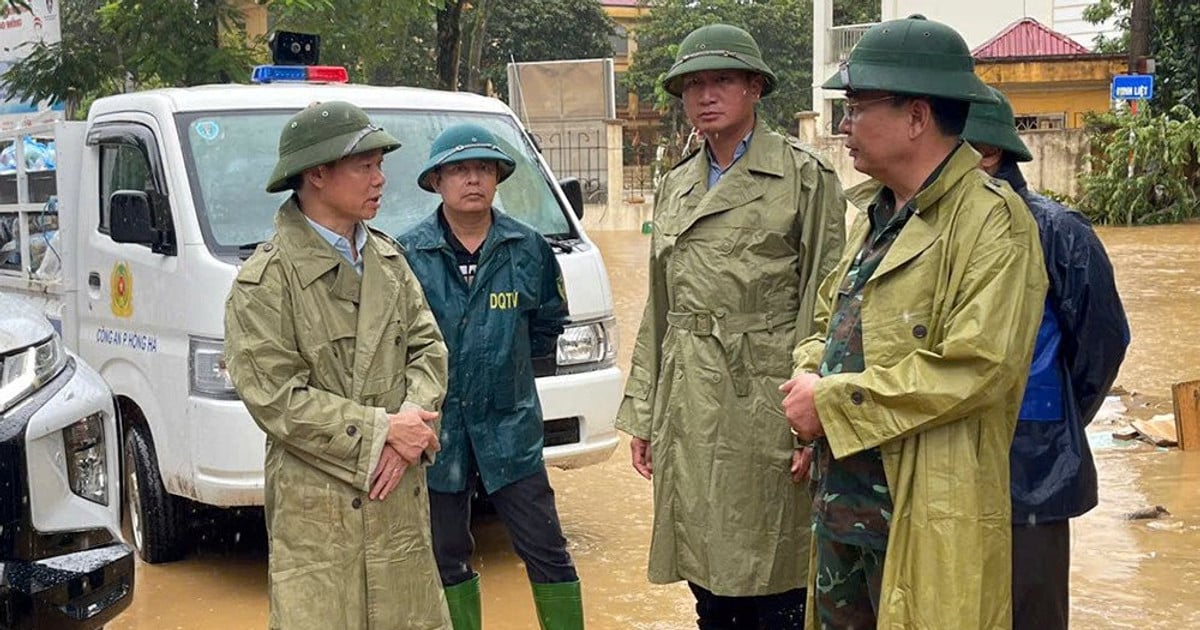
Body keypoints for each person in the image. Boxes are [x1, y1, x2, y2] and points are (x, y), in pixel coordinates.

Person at [780, 15, 1048, 629]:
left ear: (916, 117)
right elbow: (828, 321)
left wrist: (834, 404)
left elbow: (979, 366)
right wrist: (806, 377)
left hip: (922, 510)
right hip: (842, 510)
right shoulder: (872, 216)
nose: (844, 126)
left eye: (856, 106)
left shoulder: (991, 223)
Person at [616, 23, 846, 629]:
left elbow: (828, 302)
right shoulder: (674, 185)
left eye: (721, 80)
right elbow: (660, 309)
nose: (705, 95)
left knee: (774, 568)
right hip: (689, 396)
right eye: (693, 84)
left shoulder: (803, 176)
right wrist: (644, 412)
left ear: (754, 88)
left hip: (766, 394)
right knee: (704, 569)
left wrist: (812, 418)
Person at [224, 101, 452, 630]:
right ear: (317, 174)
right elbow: (276, 398)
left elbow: (428, 350)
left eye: (380, 165)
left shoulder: (391, 265)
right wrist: (381, 432)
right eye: (365, 166)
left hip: (396, 507)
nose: (380, 180)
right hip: (318, 515)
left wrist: (411, 425)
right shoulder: (266, 282)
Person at [398, 123, 581, 630]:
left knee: (546, 548)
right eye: (459, 169)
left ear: (498, 178)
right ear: (436, 180)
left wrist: (507, 375)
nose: (472, 179)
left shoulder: (528, 248)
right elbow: (397, 345)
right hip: (438, 432)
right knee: (445, 555)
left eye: (482, 168)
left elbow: (547, 327)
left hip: (511, 430)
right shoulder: (407, 255)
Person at [963, 86, 1130, 630]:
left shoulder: (1058, 230)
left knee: (1030, 612)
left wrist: (1058, 421)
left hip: (1033, 466)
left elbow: (1102, 345)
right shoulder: (921, 229)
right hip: (943, 462)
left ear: (988, 153)